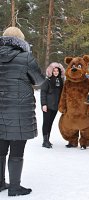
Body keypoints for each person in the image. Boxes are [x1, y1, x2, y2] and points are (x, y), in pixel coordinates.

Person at [0, 27, 45, 196]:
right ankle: (14, 187)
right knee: (16, 150)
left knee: (0, 149)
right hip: (19, 111)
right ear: (21, 40)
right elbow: (38, 80)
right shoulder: (25, 57)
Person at [40, 63, 65, 148]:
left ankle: (48, 139)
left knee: (50, 123)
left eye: (57, 71)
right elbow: (43, 92)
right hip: (47, 106)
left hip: (55, 106)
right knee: (46, 123)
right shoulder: (48, 81)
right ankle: (45, 141)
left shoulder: (61, 81)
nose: (55, 72)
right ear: (51, 71)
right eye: (54, 71)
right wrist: (44, 104)